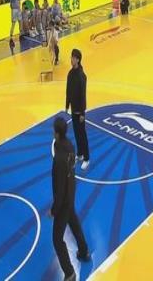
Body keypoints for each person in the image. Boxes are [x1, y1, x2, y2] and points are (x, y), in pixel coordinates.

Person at [51, 117, 91, 281]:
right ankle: (84, 251)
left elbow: (59, 189)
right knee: (73, 222)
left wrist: (54, 210)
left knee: (57, 239)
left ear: (56, 132)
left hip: (63, 201)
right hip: (71, 192)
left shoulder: (59, 159)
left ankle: (69, 273)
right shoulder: (69, 146)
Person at [66, 49, 90, 170]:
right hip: (73, 110)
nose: (71, 59)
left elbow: (83, 95)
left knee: (82, 135)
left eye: (73, 58)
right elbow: (68, 90)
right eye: (71, 57)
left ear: (78, 60)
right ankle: (79, 154)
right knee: (76, 133)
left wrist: (82, 113)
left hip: (79, 112)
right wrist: (67, 105)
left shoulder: (81, 76)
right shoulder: (70, 74)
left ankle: (86, 158)